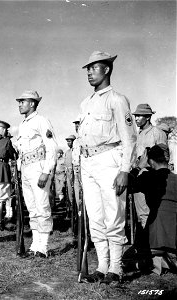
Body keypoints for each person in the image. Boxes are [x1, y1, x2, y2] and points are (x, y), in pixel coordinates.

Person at [78, 51, 137, 284]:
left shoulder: (117, 99)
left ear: (107, 70)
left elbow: (130, 137)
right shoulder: (86, 103)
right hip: (88, 163)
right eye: (88, 69)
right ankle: (102, 266)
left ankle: (116, 268)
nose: (90, 72)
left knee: (114, 215)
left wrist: (124, 170)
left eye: (94, 68)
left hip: (110, 160)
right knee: (96, 217)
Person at [16, 90, 58, 258]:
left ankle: (44, 245)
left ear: (32, 103)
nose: (19, 104)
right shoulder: (23, 124)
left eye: (23, 101)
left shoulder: (41, 120)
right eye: (19, 101)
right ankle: (35, 244)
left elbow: (52, 147)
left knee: (42, 207)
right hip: (26, 169)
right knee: (32, 208)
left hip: (38, 168)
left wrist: (46, 171)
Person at [128, 144, 177, 275]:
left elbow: (125, 186)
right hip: (174, 236)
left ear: (150, 161)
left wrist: (139, 167)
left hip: (156, 236)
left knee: (129, 258)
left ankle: (159, 259)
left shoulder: (148, 177)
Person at [132, 104, 167, 228]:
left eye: (139, 116)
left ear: (147, 117)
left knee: (153, 212)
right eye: (135, 116)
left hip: (153, 178)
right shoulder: (137, 135)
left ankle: (154, 243)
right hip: (139, 178)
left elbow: (164, 158)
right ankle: (146, 243)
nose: (136, 118)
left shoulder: (157, 133)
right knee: (141, 213)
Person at [65, 135, 76, 233]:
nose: (69, 143)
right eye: (67, 141)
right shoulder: (67, 152)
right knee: (69, 194)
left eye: (70, 141)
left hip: (75, 174)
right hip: (68, 174)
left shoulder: (76, 151)